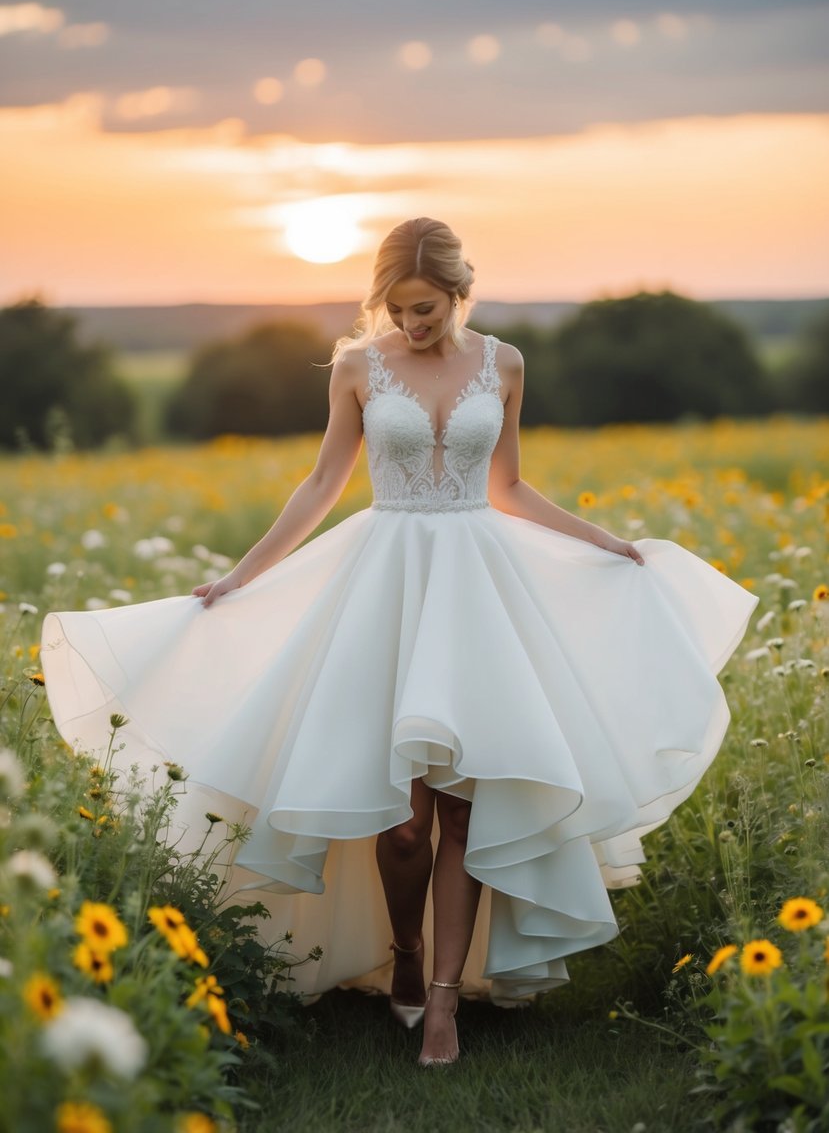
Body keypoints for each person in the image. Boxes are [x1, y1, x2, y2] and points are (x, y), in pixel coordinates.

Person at [41, 217, 758, 1067]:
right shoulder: (357, 366)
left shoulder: (505, 363)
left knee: (464, 807)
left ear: (459, 295)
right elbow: (321, 483)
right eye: (398, 308)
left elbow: (510, 484)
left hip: (481, 591)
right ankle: (405, 956)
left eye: (425, 309)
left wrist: (601, 541)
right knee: (404, 823)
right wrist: (240, 575)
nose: (411, 324)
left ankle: (446, 1001)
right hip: (386, 585)